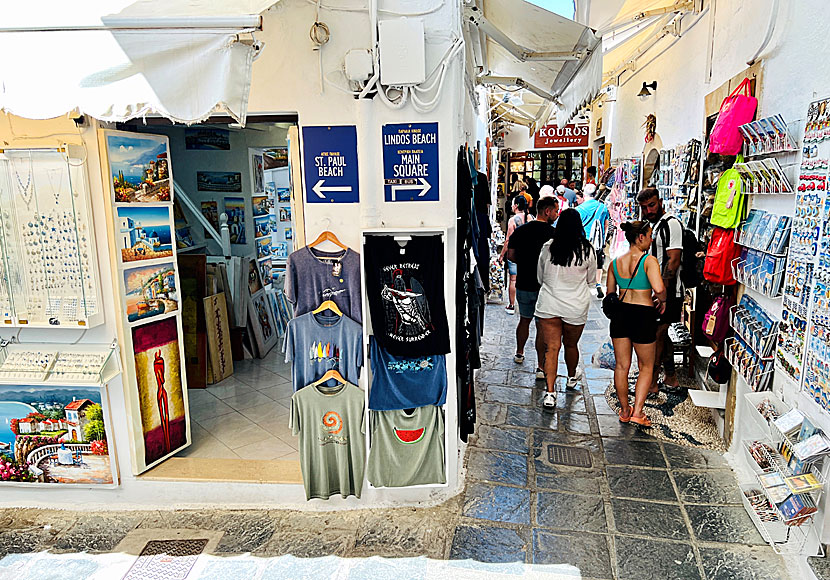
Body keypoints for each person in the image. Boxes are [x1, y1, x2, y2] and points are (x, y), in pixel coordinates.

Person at [535, 208, 597, 408]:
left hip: (550, 302)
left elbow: (540, 276)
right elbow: (591, 281)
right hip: (575, 305)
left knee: (551, 348)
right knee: (571, 345)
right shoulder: (587, 250)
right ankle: (571, 377)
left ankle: (550, 393)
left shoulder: (549, 247)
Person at [607, 221, 667, 426]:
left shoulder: (614, 263)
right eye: (649, 236)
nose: (651, 240)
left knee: (622, 366)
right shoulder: (649, 261)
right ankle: (638, 411)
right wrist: (664, 299)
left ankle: (624, 410)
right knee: (646, 365)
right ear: (640, 237)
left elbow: (610, 295)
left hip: (620, 315)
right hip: (643, 315)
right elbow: (658, 288)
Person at [506, 197, 560, 376]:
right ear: (547, 211)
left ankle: (519, 352)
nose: (556, 214)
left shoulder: (521, 231)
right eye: (555, 210)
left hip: (524, 282)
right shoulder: (553, 234)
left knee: (524, 320)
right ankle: (540, 366)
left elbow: (511, 255)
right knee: (541, 326)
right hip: (544, 286)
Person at [637, 187, 683, 394]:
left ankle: (653, 382)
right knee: (661, 335)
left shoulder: (671, 224)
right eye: (644, 207)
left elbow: (673, 261)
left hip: (669, 291)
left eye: (652, 205)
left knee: (657, 334)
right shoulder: (654, 225)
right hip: (657, 290)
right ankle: (670, 377)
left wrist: (661, 291)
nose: (648, 210)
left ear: (660, 201)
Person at [576, 183, 611, 299]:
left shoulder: (579, 209)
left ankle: (583, 283)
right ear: (596, 193)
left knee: (582, 260)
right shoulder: (603, 207)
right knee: (598, 262)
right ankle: (598, 284)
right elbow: (606, 224)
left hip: (583, 239)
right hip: (597, 240)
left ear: (584, 194)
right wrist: (604, 238)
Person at [499, 195, 531, 315]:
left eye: (513, 203)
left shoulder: (513, 220)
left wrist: (502, 255)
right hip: (529, 253)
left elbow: (508, 240)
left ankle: (512, 305)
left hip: (516, 253)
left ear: (516, 206)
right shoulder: (530, 217)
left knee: (513, 279)